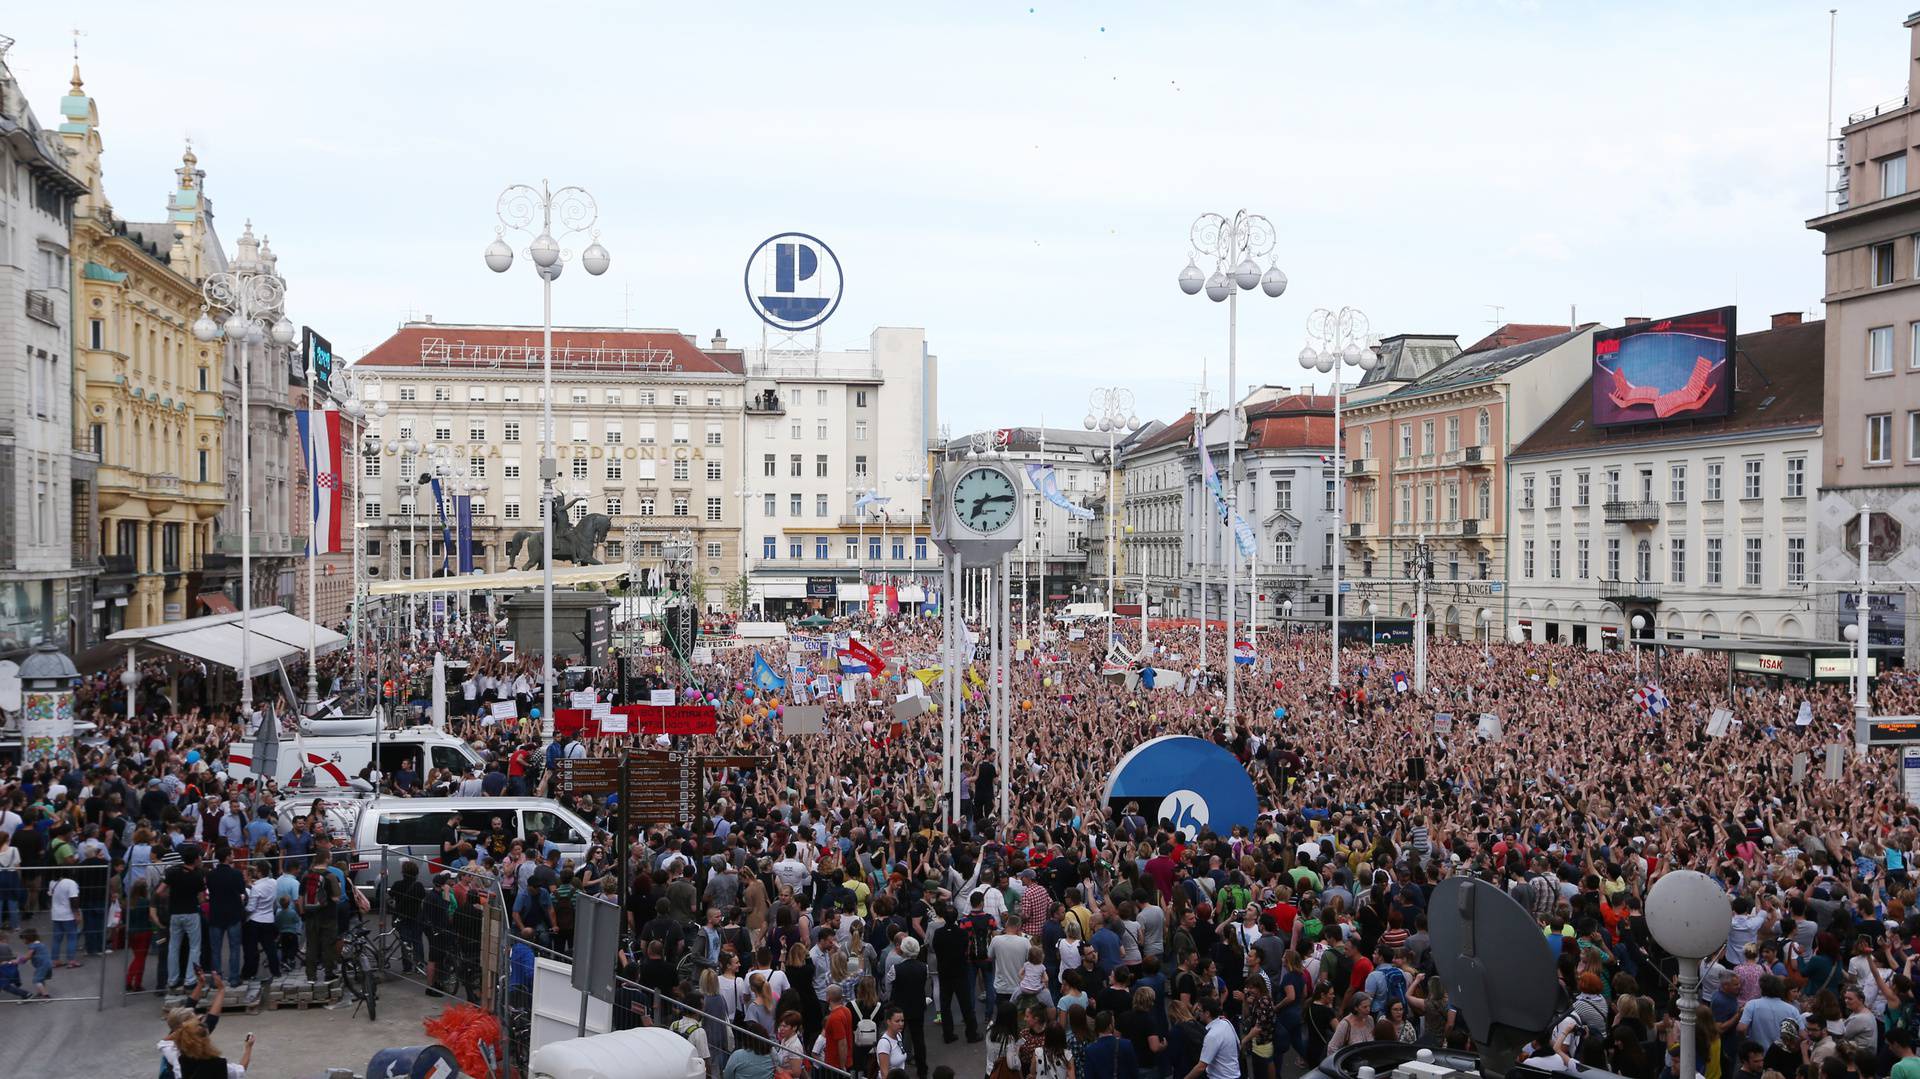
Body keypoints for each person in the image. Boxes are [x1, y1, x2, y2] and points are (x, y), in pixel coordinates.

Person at [159, 846, 207, 989]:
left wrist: (172, 896)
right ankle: (190, 979)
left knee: (173, 946)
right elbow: (202, 898)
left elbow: (160, 891)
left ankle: (172, 979)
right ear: (196, 859)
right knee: (194, 947)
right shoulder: (198, 875)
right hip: (191, 912)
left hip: (175, 913)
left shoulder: (173, 873)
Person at [158, 1018, 253, 1079]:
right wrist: (248, 1048)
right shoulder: (219, 1064)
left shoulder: (177, 1059)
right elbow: (241, 1070)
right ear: (206, 1041)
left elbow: (163, 1043)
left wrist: (185, 1029)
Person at [300, 849, 343, 982]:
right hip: (328, 916)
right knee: (328, 945)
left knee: (312, 946)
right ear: (326, 859)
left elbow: (300, 896)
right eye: (330, 857)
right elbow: (337, 898)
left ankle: (311, 976)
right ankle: (328, 974)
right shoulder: (330, 876)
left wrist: (303, 912)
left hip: (310, 916)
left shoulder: (306, 875)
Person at [875, 1006, 908, 1079]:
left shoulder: (899, 1035)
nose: (901, 1024)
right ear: (888, 1022)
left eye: (902, 1020)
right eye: (897, 1021)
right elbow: (885, 1074)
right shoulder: (884, 1043)